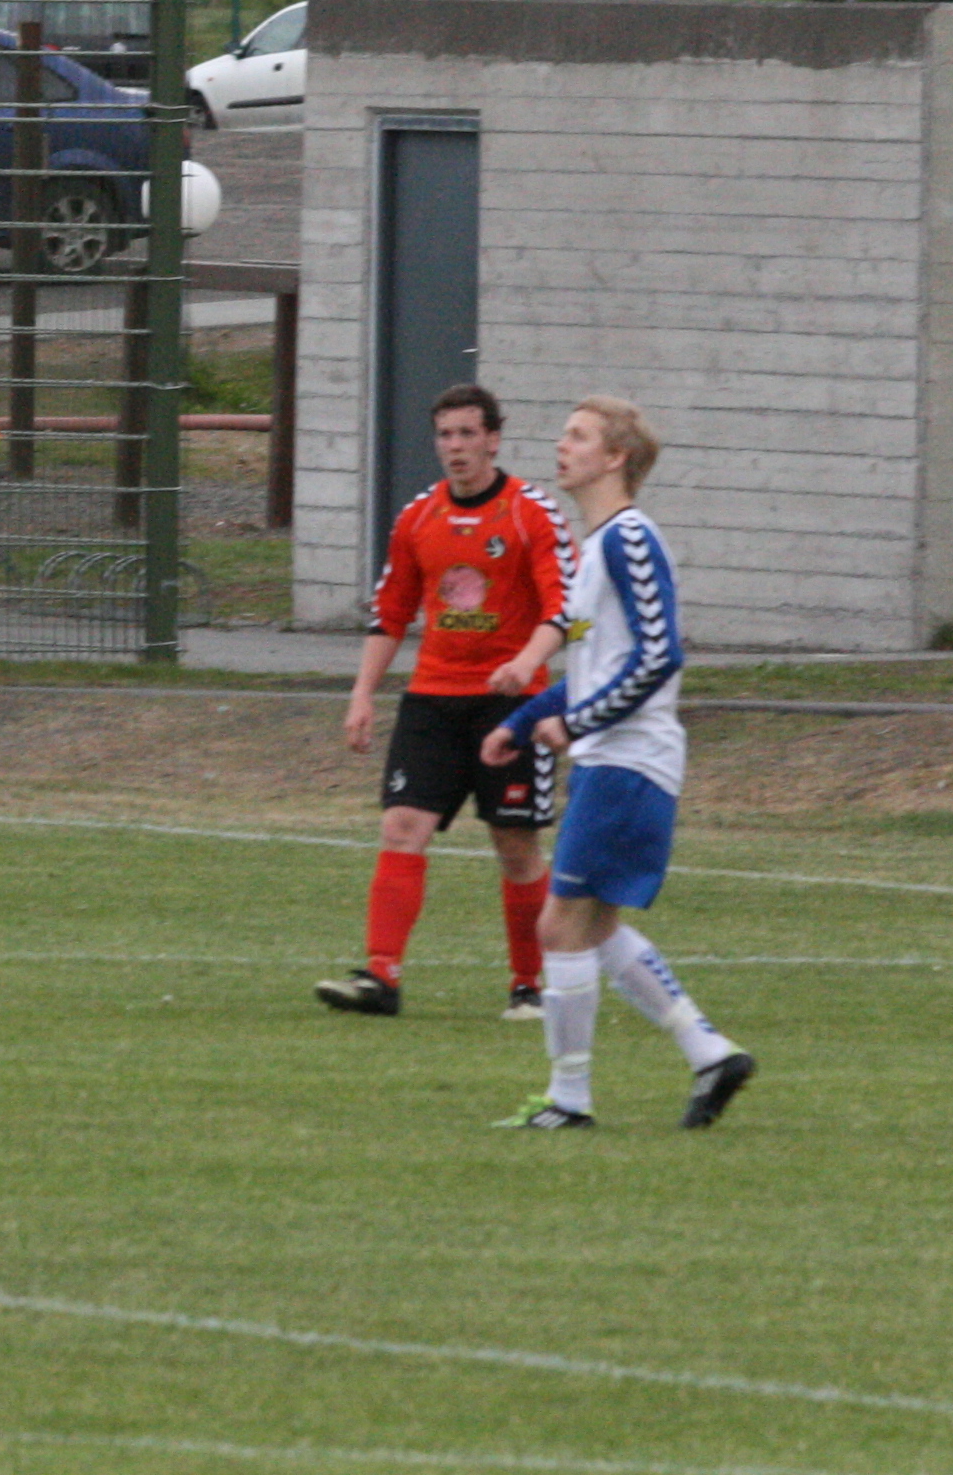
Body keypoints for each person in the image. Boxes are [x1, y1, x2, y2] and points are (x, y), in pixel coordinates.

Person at [479, 398, 755, 1132]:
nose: (561, 445)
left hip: (629, 762)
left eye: (578, 436)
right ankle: (711, 1054)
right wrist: (522, 722)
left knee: (559, 926)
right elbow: (596, 667)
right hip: (614, 759)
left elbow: (660, 656)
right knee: (594, 927)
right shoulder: (597, 546)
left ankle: (569, 1099)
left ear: (614, 458)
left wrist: (577, 723)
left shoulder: (630, 538)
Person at [317, 381, 570, 1021]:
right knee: (401, 826)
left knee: (515, 843)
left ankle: (528, 986)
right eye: (445, 435)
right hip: (432, 699)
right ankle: (381, 977)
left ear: (493, 439)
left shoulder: (531, 513)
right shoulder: (418, 517)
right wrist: (362, 694)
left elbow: (564, 610)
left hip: (512, 706)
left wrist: (526, 663)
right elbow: (390, 612)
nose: (455, 446)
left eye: (467, 434)